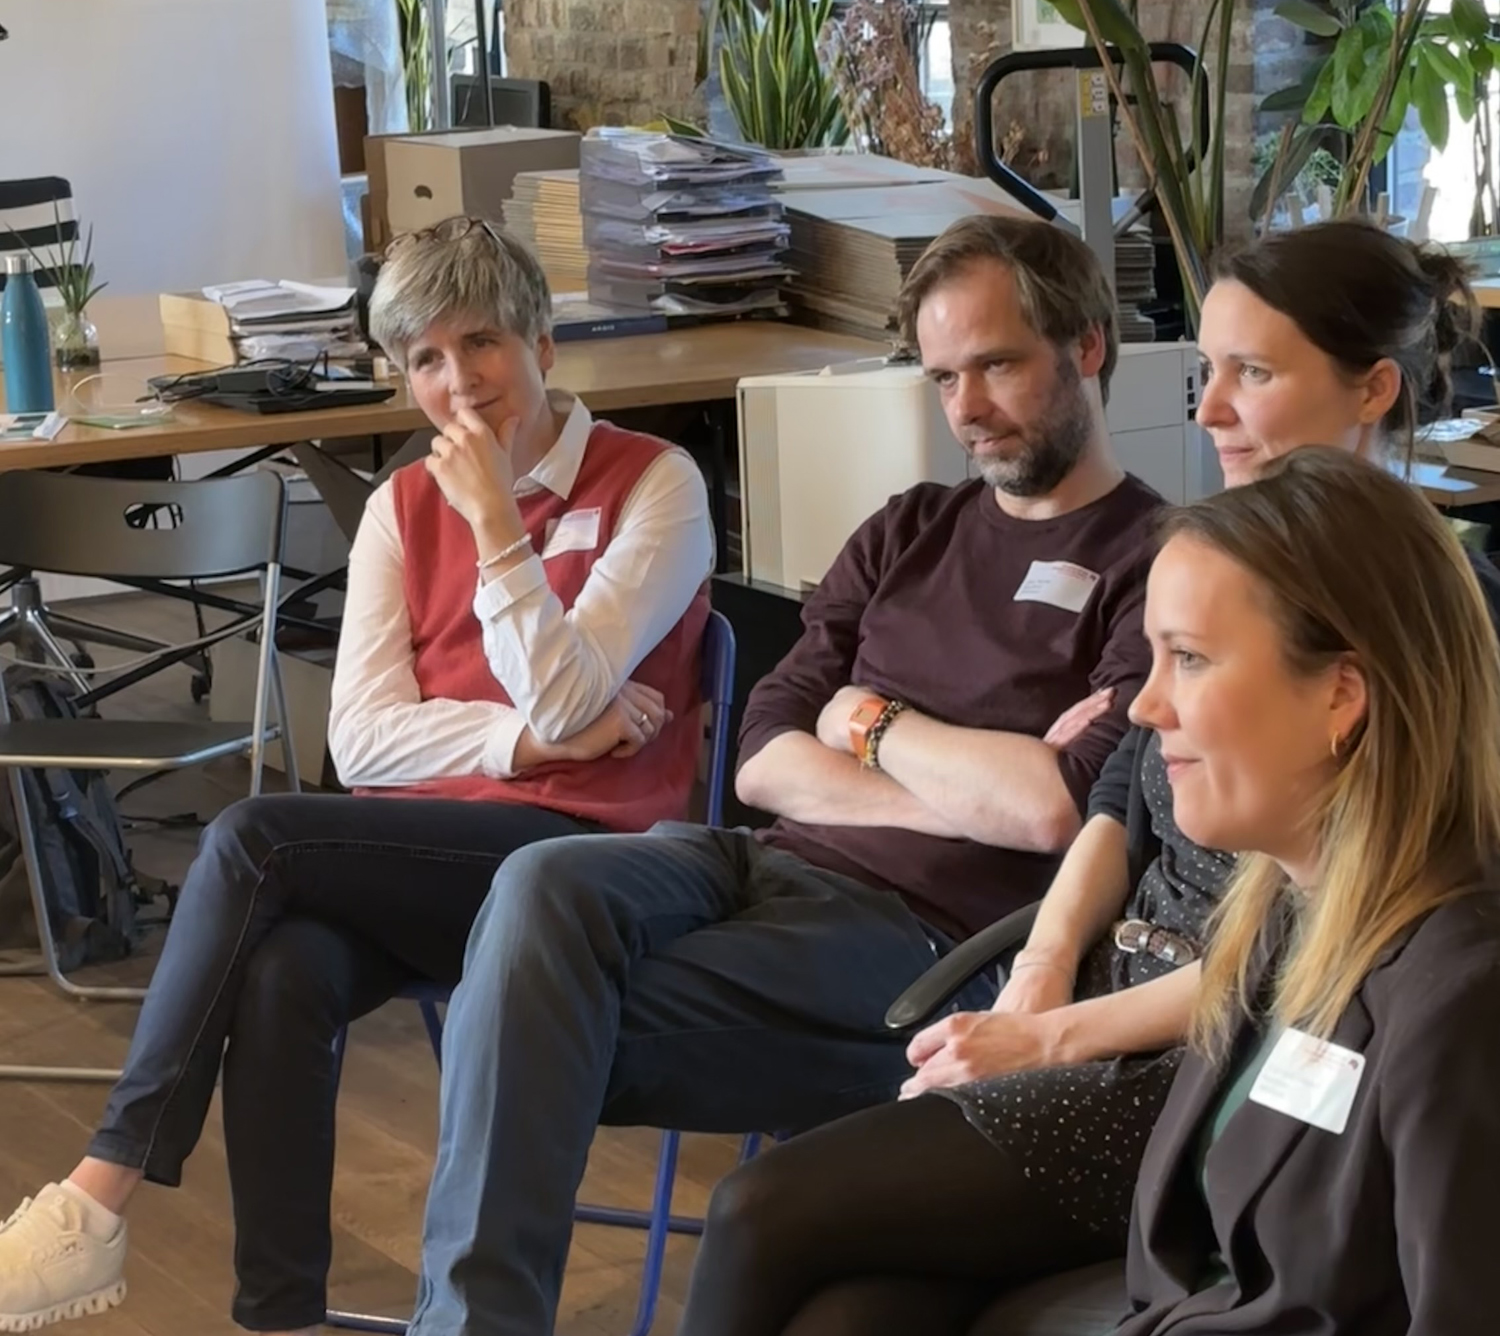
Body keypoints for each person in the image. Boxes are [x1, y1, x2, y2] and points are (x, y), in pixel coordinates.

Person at [675, 219, 1500, 1336]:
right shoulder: (1214, 560)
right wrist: (1043, 968)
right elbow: (1109, 791)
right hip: (1143, 994)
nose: (1208, 409)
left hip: (1208, 1042)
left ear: (1373, 389)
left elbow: (1302, 939)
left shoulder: (1422, 636)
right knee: (852, 1311)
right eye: (1209, 369)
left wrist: (1049, 1030)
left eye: (1252, 373)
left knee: (764, 1211)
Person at [400, 213, 1165, 1335]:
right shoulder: (909, 527)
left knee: (512, 1017)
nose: (966, 407)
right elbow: (761, 750)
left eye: (997, 365)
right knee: (542, 882)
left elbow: (1061, 807)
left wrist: (867, 719)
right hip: (760, 863)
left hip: (927, 935)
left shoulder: (1156, 561)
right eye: (943, 376)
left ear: (1087, 346)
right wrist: (965, 786)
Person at [0, 217, 715, 1335]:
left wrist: (496, 527)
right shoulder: (398, 507)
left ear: (543, 347)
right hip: (435, 859)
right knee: (283, 971)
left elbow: (572, 698)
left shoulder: (656, 483)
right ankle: (279, 1317)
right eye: (425, 357)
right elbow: (367, 742)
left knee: (254, 836)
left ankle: (99, 1194)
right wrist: (524, 744)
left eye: (481, 342)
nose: (457, 381)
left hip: (590, 866)